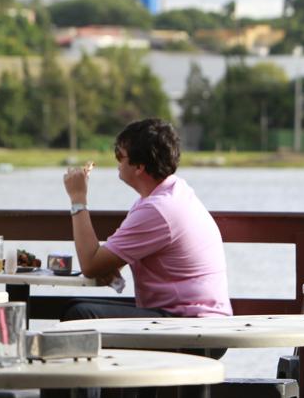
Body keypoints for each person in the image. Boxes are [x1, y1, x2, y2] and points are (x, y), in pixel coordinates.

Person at [61, 118, 232, 320]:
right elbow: (106, 264)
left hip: (193, 322)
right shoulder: (168, 194)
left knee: (80, 314)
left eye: (119, 155)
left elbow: (90, 265)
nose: (117, 162)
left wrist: (78, 198)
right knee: (73, 306)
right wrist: (106, 266)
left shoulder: (159, 209)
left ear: (139, 166)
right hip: (191, 316)